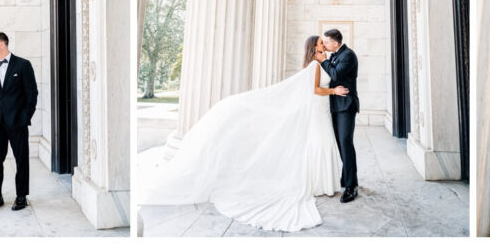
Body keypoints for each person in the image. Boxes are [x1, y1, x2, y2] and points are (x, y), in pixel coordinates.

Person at [138, 36, 348, 231]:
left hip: (320, 109)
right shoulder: (314, 66)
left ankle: (322, 181)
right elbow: (315, 89)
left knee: (320, 142)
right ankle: (320, 183)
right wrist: (334, 91)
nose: (323, 45)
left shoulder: (317, 64)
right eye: (321, 42)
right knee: (320, 142)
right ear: (314, 48)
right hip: (319, 105)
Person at [0, 32, 38, 211]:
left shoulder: (23, 65)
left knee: (21, 160)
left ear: (2, 44)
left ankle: (21, 196)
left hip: (17, 123)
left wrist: (24, 117)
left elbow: (32, 93)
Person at [317, 28, 360, 203]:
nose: (324, 45)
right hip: (335, 106)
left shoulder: (348, 55)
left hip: (346, 106)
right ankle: (346, 177)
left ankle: (351, 186)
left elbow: (335, 73)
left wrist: (323, 61)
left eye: (326, 42)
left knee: (345, 143)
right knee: (341, 144)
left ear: (335, 43)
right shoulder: (335, 55)